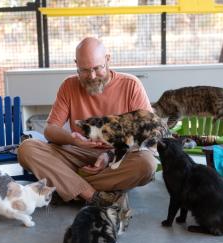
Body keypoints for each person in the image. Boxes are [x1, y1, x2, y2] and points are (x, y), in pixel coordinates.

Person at [17, 37, 157, 206]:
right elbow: (50, 130)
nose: (91, 76)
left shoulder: (131, 85)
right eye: (84, 70)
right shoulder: (68, 86)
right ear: (76, 64)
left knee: (147, 164)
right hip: (77, 153)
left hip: (117, 158)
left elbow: (149, 135)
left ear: (107, 59)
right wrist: (72, 139)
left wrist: (109, 155)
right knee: (27, 149)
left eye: (97, 68)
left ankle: (68, 185)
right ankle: (93, 195)